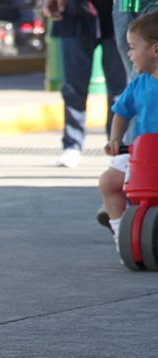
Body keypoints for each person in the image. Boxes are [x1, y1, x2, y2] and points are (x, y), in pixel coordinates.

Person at [95, 0, 158, 230]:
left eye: (133, 48)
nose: (128, 54)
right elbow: (121, 113)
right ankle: (120, 229)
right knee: (108, 182)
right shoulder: (137, 86)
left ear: (155, 50)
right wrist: (115, 139)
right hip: (140, 155)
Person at [43, 0, 126, 168]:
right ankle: (72, 145)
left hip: (117, 12)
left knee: (120, 89)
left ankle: (118, 147)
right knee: (74, 86)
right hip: (76, 14)